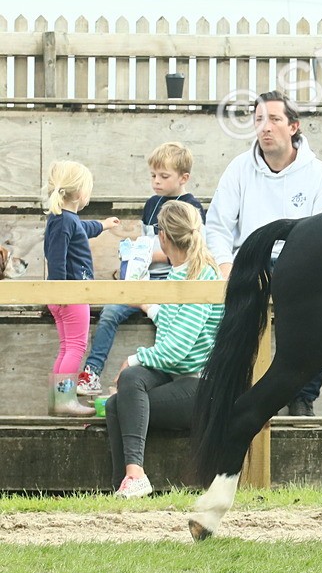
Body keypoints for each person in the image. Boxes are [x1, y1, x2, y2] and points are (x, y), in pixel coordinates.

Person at [206, 91, 322, 415]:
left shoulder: (319, 174)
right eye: (259, 120)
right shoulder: (238, 170)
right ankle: (238, 395)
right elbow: (217, 227)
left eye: (275, 119)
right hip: (249, 263)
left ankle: (301, 398)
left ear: (294, 126)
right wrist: (225, 266)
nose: (266, 128)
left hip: (300, 266)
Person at [107, 200, 223, 498]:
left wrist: (132, 359)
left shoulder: (201, 278)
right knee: (121, 393)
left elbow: (177, 350)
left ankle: (134, 480)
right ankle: (131, 480)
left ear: (163, 238)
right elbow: (175, 323)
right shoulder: (181, 272)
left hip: (199, 384)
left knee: (124, 395)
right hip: (177, 376)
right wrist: (148, 305)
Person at [77, 142, 205, 397]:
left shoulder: (191, 208)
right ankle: (92, 371)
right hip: (143, 280)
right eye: (153, 175)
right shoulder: (151, 204)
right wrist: (132, 256)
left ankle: (163, 382)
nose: (156, 181)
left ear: (184, 178)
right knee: (112, 311)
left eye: (164, 176)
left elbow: (189, 253)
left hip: (172, 284)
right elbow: (147, 244)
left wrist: (148, 256)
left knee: (167, 325)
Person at [42, 160, 120, 416]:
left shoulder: (64, 219)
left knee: (67, 347)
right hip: (71, 294)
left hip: (66, 294)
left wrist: (105, 225)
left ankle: (58, 401)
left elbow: (84, 228)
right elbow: (56, 258)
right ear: (79, 193)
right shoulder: (64, 222)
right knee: (76, 347)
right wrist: (62, 290)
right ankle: (64, 400)